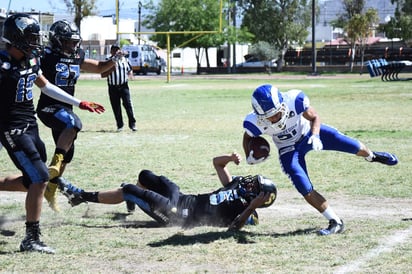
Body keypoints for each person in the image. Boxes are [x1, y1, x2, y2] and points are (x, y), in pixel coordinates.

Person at [0, 13, 105, 253]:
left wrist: (79, 103)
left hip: (30, 124)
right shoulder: (3, 64)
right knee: (39, 177)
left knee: (32, 180)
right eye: (31, 37)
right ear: (16, 38)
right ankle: (31, 238)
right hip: (12, 128)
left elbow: (45, 86)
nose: (35, 42)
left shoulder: (31, 59)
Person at [242, 84, 398, 236]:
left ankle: (372, 156)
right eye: (270, 116)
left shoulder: (294, 100)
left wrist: (315, 135)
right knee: (303, 185)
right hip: (288, 148)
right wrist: (249, 155)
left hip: (309, 133)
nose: (275, 118)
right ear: (261, 116)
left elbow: (314, 116)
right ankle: (335, 221)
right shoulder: (254, 121)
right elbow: (247, 137)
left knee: (354, 146)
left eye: (277, 112)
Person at [56, 153, 277, 230]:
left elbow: (235, 228)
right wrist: (230, 159)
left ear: (258, 198)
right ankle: (135, 201)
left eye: (254, 187)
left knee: (129, 189)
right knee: (146, 176)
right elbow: (217, 164)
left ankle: (79, 196)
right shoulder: (235, 187)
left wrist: (251, 207)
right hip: (181, 198)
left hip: (178, 215)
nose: (248, 184)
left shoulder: (248, 213)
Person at [36, 20, 117, 212]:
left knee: (67, 156)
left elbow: (98, 67)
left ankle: (50, 190)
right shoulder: (45, 56)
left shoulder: (77, 55)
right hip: (49, 107)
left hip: (66, 109)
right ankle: (54, 166)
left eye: (75, 42)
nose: (73, 46)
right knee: (73, 124)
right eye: (68, 42)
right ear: (56, 41)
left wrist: (114, 60)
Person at [101, 44, 137, 132]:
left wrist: (130, 75)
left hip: (124, 86)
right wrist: (110, 69)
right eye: (113, 50)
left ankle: (132, 124)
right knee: (116, 106)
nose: (115, 52)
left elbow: (129, 70)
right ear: (111, 51)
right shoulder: (107, 61)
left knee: (128, 105)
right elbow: (102, 74)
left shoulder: (125, 60)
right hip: (113, 87)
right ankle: (120, 125)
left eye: (117, 50)